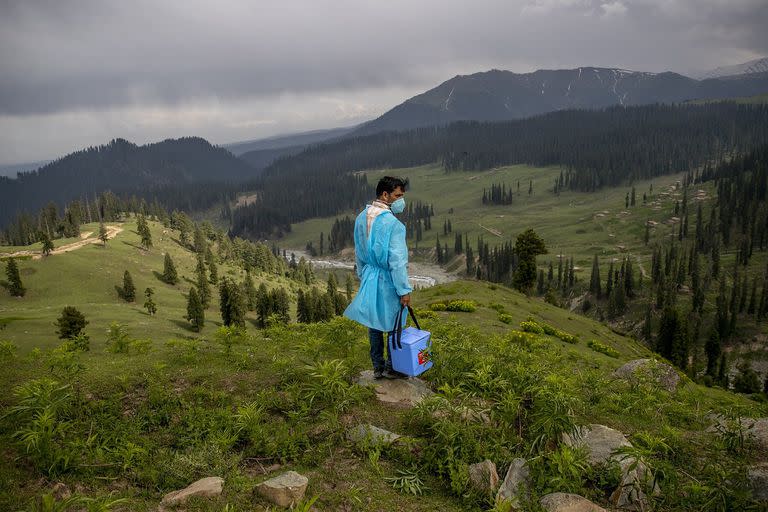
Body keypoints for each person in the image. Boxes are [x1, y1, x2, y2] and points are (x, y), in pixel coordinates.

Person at [344, 176, 412, 379]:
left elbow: (358, 251)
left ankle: (377, 367)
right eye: (398, 195)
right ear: (385, 195)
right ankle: (393, 367)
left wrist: (363, 275)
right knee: (394, 322)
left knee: (374, 322)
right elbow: (397, 262)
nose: (401, 200)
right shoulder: (394, 225)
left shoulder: (360, 218)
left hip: (369, 276)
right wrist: (404, 290)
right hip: (388, 278)